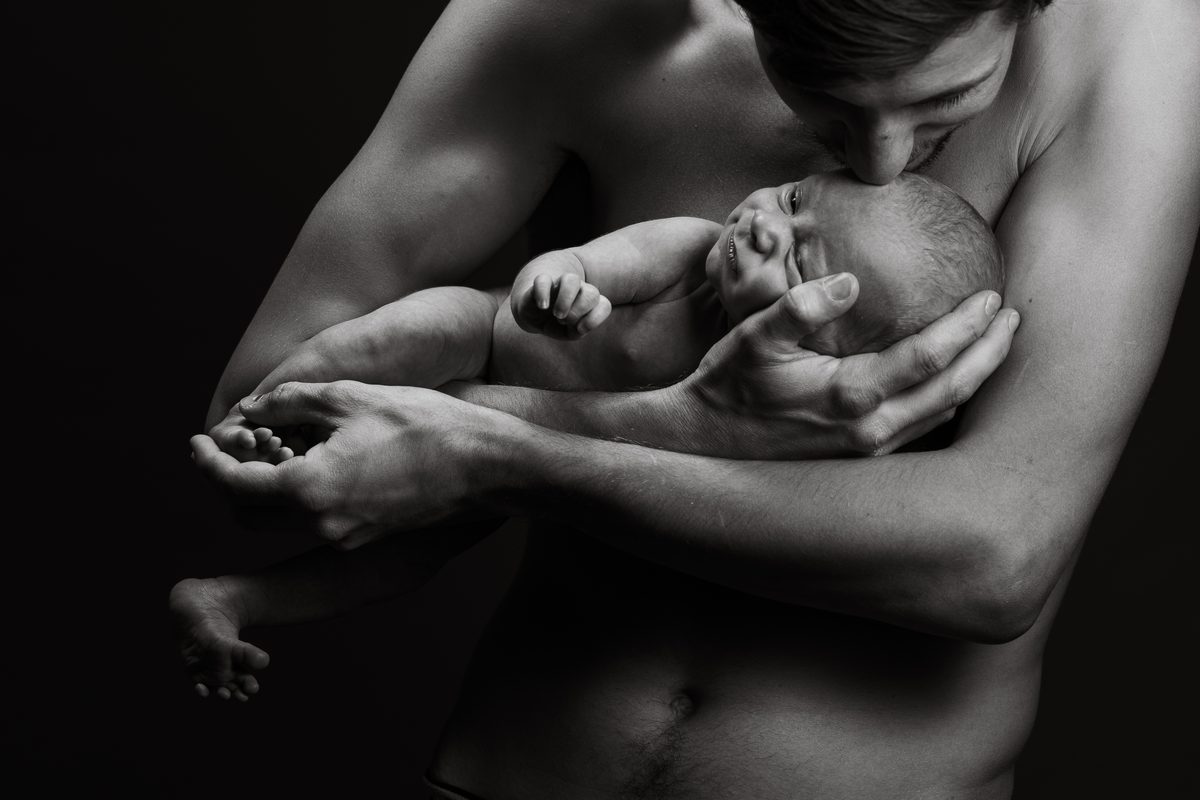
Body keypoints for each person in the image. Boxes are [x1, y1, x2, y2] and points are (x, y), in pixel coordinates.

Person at [187, 0, 1200, 797]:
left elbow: (990, 559)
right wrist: (683, 421)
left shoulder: (1132, 51)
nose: (876, 160)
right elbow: (263, 431)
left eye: (945, 104)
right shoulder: (572, 19)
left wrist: (490, 443)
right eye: (822, 96)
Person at [172, 167, 1004, 698]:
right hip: (490, 342)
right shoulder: (688, 250)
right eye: (795, 199)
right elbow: (574, 264)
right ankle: (266, 409)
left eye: (797, 262)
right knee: (425, 324)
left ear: (828, 349)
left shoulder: (794, 408)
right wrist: (556, 290)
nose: (764, 227)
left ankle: (237, 600)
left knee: (412, 550)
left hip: (497, 474)